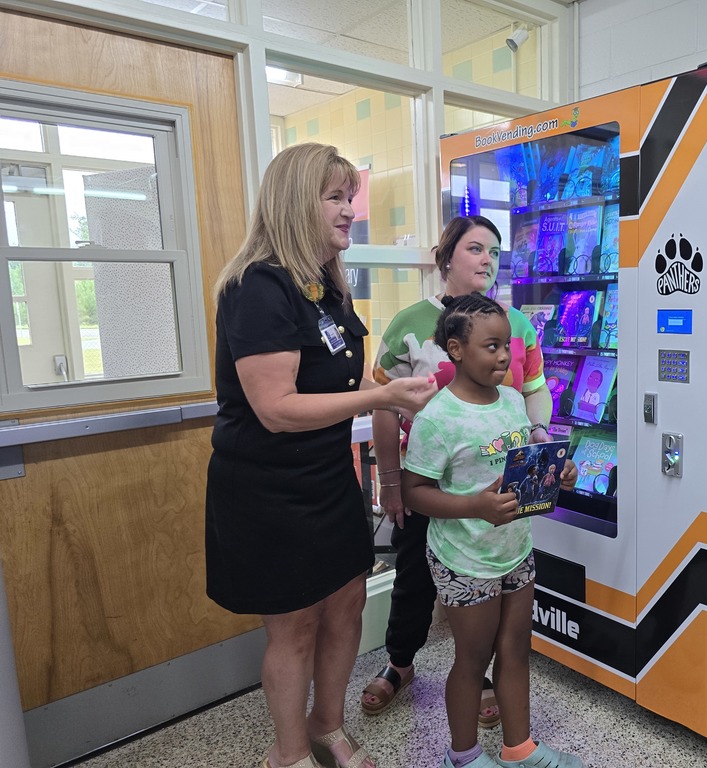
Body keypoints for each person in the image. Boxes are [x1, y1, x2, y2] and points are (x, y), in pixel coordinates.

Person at [205, 142, 436, 768]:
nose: (348, 212)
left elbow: (340, 384)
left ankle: (326, 726)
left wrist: (398, 395)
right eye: (334, 197)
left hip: (329, 480)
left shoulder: (326, 289)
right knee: (295, 626)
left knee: (348, 604)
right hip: (269, 491)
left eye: (350, 198)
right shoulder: (258, 288)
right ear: (292, 201)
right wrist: (379, 397)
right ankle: (289, 754)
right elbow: (276, 407)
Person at [361, 216, 553, 726]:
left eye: (495, 252)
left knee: (491, 586)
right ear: (446, 257)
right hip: (430, 479)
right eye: (475, 249)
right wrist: (393, 481)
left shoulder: (518, 327)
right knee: (415, 579)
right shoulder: (409, 323)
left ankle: (481, 675)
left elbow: (533, 388)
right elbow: (384, 405)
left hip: (494, 482)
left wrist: (538, 441)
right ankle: (401, 663)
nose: (487, 260)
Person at [402, 293, 582, 768]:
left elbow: (521, 467)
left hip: (515, 549)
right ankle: (461, 756)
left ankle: (519, 749)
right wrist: (473, 507)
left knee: (515, 650)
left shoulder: (510, 400)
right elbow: (414, 490)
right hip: (465, 559)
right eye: (491, 346)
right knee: (472, 658)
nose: (504, 356)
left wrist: (556, 474)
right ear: (456, 349)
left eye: (508, 345)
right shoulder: (438, 418)